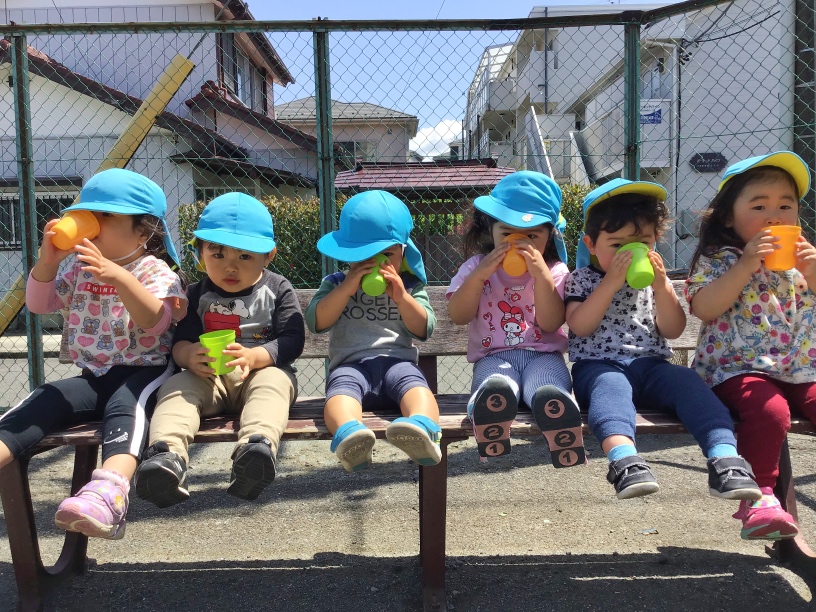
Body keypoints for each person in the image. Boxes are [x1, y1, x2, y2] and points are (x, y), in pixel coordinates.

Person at [0, 168, 187, 539]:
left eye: (104, 217)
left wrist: (119, 278)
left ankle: (109, 493)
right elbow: (39, 305)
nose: (91, 225)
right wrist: (49, 260)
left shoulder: (154, 270)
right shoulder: (78, 267)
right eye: (87, 215)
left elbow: (156, 323)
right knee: (46, 397)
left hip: (144, 372)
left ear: (143, 230)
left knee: (126, 407)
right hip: (93, 374)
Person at [566, 178, 761, 502]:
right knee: (610, 390)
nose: (626, 255)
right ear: (590, 244)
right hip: (599, 367)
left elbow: (672, 329)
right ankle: (624, 461)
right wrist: (611, 282)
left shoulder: (656, 281)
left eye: (641, 244)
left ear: (655, 242)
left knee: (688, 382)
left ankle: (725, 458)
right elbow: (580, 326)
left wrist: (662, 286)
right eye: (616, 246)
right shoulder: (582, 278)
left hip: (652, 365)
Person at [133, 193, 304, 505]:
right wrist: (188, 356)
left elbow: (293, 339)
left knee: (274, 385)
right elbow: (180, 340)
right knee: (176, 387)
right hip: (209, 379)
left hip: (261, 373)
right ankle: (165, 456)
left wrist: (256, 356)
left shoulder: (278, 289)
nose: (230, 267)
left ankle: (255, 448)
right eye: (218, 254)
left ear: (268, 255)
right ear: (200, 253)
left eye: (244, 257)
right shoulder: (195, 293)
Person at [685, 151, 815, 540]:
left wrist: (812, 271)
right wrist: (744, 266)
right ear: (728, 216)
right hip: (734, 370)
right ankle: (757, 498)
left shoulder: (802, 261)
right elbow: (704, 308)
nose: (774, 216)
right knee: (771, 412)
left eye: (785, 206)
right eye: (759, 206)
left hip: (799, 369)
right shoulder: (719, 260)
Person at [446, 171, 584, 467]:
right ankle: (491, 409)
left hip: (543, 355)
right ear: (490, 231)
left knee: (547, 383)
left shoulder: (555, 271)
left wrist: (541, 275)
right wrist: (480, 274)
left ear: (549, 237)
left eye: (532, 236)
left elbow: (550, 324)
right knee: (495, 382)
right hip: (494, 355)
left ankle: (556, 411)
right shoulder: (475, 266)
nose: (517, 243)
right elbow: (458, 315)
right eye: (507, 234)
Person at [305, 190, 441, 472]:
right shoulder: (336, 282)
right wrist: (346, 288)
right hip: (351, 366)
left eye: (387, 254)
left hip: (398, 363)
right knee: (340, 394)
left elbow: (423, 329)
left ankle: (422, 428)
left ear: (403, 253)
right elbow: (317, 322)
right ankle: (350, 435)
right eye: (365, 255)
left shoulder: (410, 287)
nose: (376, 262)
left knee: (416, 387)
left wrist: (402, 297)